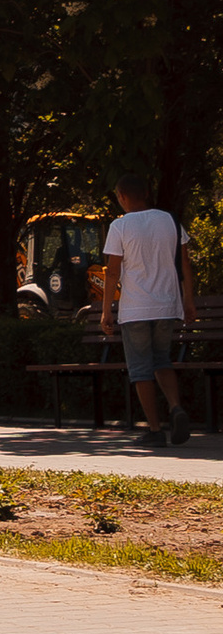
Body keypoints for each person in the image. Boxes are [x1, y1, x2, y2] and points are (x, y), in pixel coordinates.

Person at [102, 175, 196, 448]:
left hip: (136, 309)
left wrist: (106, 311)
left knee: (141, 369)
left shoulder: (119, 226)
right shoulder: (170, 220)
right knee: (162, 360)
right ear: (147, 192)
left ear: (121, 196)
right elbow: (186, 264)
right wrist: (188, 301)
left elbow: (112, 272)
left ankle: (155, 430)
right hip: (167, 305)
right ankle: (176, 407)